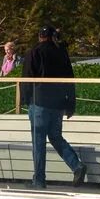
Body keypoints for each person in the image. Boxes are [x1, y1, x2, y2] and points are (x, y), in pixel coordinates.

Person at [22, 26, 86, 189]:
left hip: (39, 102)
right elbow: (70, 79)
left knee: (38, 141)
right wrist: (70, 104)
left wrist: (25, 99)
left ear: (40, 36)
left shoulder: (34, 52)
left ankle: (39, 180)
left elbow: (27, 77)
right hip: (58, 103)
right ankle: (76, 165)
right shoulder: (61, 52)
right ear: (52, 37)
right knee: (56, 136)